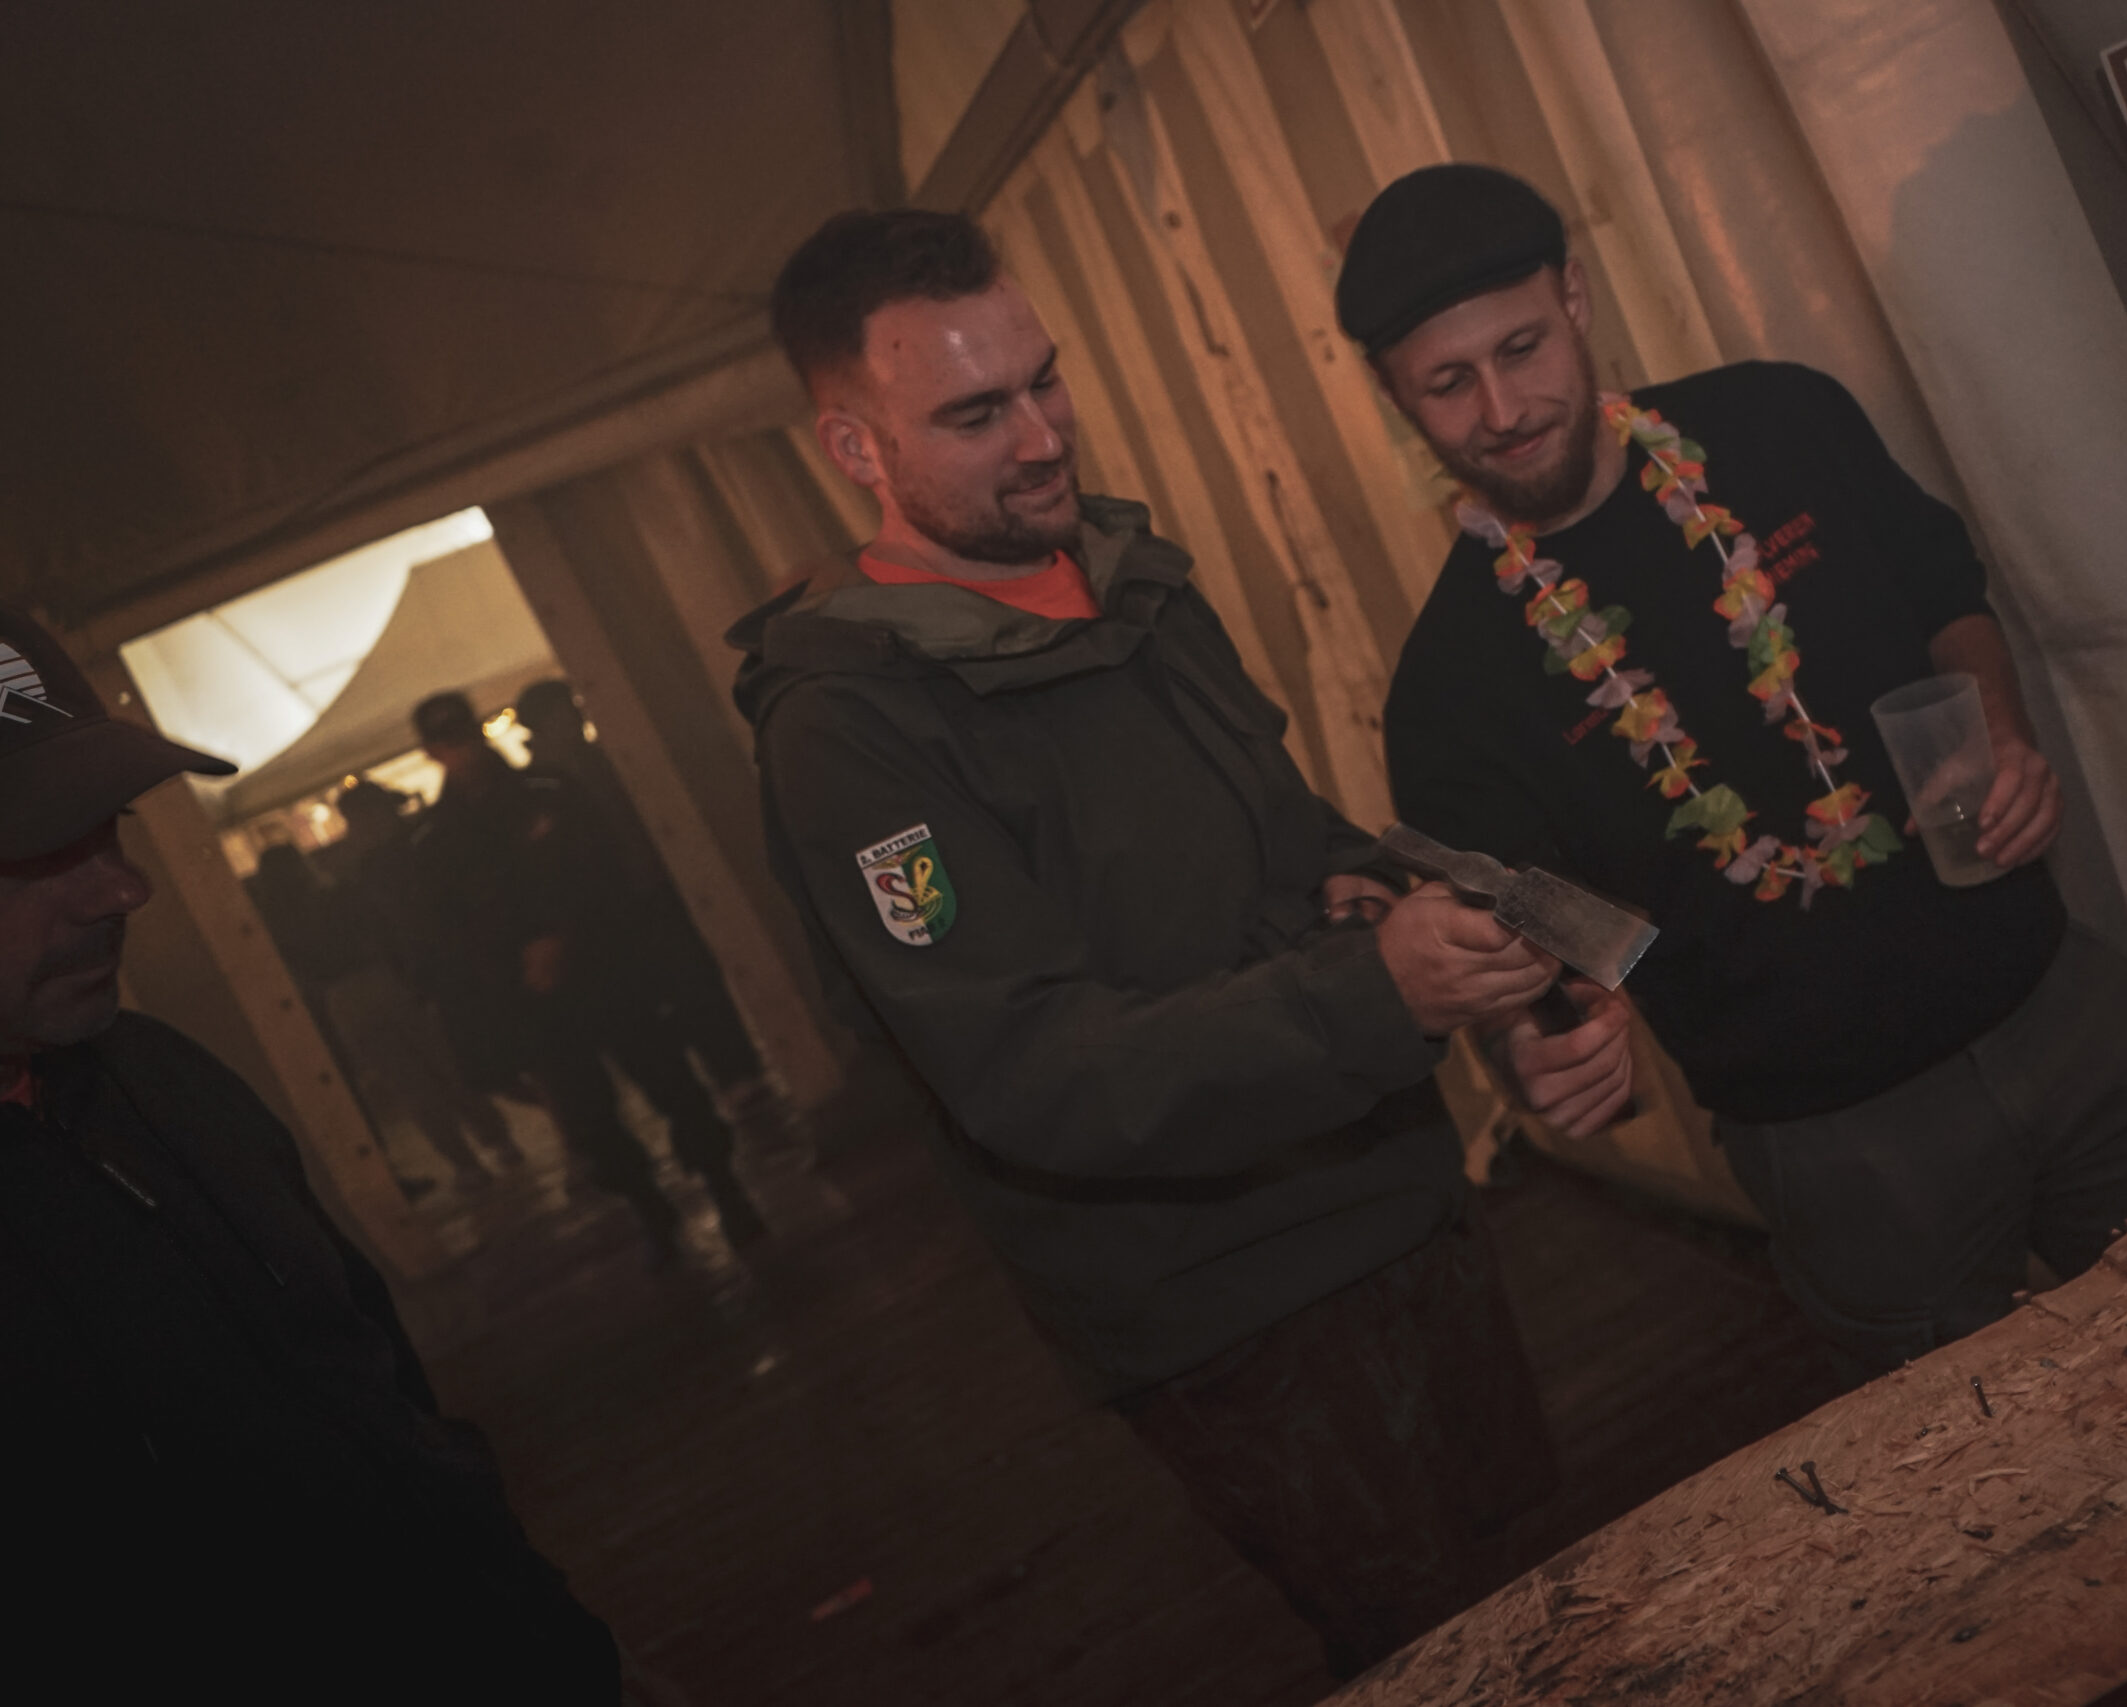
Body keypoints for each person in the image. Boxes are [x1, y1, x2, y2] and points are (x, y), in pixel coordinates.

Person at [735, 207, 1581, 1678]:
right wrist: (1369, 991)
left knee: (1574, 1599)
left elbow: (1292, 834)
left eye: (1046, 380)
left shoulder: (1129, 576)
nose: (1041, 438)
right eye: (976, 415)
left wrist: (1399, 916)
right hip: (1227, 1301)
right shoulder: (849, 730)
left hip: (1396, 1198)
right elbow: (1032, 1070)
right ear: (855, 448)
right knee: (1450, 1655)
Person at [1344, 164, 2127, 1382]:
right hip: (1838, 1148)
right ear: (1391, 393)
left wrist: (1996, 728)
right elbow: (1532, 950)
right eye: (1448, 384)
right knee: (1981, 1460)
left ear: (1575, 296)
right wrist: (1533, 1046)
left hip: (2062, 1015)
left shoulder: (1779, 422)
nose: (1502, 410)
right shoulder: (1448, 689)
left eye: (1522, 347)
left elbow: (1942, 591)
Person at [0, 604, 618, 1700]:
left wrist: (554, 1639)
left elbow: (377, 1401)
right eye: (41, 852)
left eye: (109, 829)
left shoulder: (160, 1080)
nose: (123, 888)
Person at [404, 692, 767, 1264]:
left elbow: (603, 869)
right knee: (591, 1121)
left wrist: (560, 937)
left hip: (606, 970)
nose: (462, 750)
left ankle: (723, 1189)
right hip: (536, 997)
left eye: (464, 734)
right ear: (433, 751)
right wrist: (515, 971)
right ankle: (651, 1209)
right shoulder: (437, 838)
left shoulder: (546, 791)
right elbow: (450, 931)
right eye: (449, 741)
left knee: (672, 1086)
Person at [512, 678, 793, 1150]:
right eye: (565, 711)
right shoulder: (560, 780)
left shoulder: (569, 773)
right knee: (674, 990)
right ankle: (726, 1076)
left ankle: (727, 1077)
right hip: (618, 907)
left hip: (639, 897)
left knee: (687, 984)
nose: (576, 717)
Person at [319, 780, 525, 1191]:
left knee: (416, 1084)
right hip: (413, 979)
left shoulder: (357, 870)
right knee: (452, 1066)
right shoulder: (405, 852)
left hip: (388, 985)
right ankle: (499, 1140)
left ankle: (468, 1163)